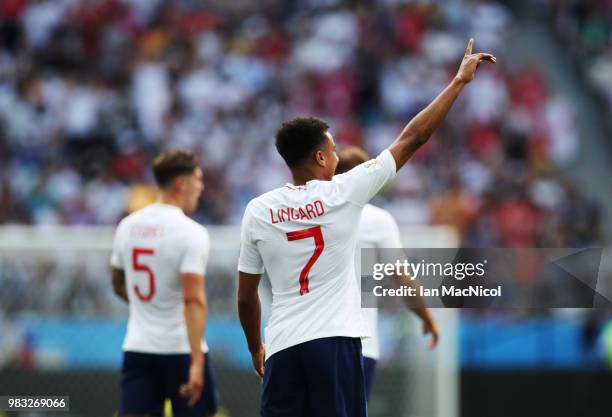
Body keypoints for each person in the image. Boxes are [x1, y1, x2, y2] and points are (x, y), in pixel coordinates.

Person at [237, 39, 495, 417]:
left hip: (282, 347)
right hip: (334, 341)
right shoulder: (345, 192)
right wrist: (458, 82)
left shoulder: (258, 210)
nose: (339, 156)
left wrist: (254, 347)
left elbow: (246, 298)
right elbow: (413, 137)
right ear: (321, 156)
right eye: (335, 150)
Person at [110, 150, 219, 417]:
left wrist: (149, 306)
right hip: (180, 350)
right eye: (198, 179)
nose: (201, 187)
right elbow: (193, 300)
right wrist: (196, 361)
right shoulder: (191, 232)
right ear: (181, 184)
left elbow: (117, 282)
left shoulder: (127, 226)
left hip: (138, 348)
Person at [336, 146, 439, 400]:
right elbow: (402, 280)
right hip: (359, 344)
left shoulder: (316, 217)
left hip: (312, 341)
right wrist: (427, 317)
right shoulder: (376, 220)